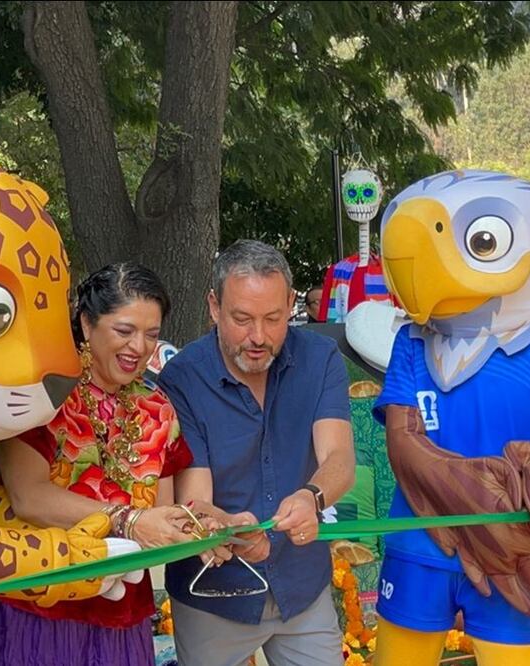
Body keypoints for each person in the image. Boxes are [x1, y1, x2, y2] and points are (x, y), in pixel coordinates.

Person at [0, 262, 262, 666]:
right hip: (31, 603)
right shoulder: (43, 395)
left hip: (119, 613)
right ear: (86, 323)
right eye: (124, 331)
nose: (139, 347)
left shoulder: (157, 408)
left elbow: (162, 513)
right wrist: (128, 520)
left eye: (151, 335)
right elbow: (29, 496)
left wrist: (213, 527)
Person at [160, 240, 356, 666]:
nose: (259, 337)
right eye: (242, 319)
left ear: (290, 303)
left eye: (274, 318)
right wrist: (228, 527)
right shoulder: (182, 378)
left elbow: (339, 459)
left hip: (302, 585)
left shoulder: (319, 357)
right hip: (214, 593)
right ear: (214, 307)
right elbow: (195, 499)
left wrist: (312, 497)